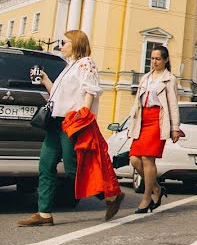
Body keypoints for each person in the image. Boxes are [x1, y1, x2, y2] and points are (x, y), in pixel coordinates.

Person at [17, 30, 124, 227]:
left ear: (76, 44)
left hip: (72, 123)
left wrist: (82, 114)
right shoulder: (69, 66)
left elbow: (90, 90)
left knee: (73, 168)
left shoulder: (86, 63)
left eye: (64, 43)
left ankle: (110, 196)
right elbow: (59, 97)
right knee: (46, 166)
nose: (61, 46)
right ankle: (44, 214)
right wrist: (46, 80)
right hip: (56, 123)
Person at [128, 45, 181, 213]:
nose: (155, 62)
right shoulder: (145, 78)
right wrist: (132, 120)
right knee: (135, 160)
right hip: (142, 120)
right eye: (152, 58)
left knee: (147, 159)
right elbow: (137, 101)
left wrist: (175, 128)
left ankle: (146, 198)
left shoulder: (169, 79)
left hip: (158, 120)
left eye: (158, 58)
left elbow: (173, 105)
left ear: (165, 60)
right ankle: (157, 188)